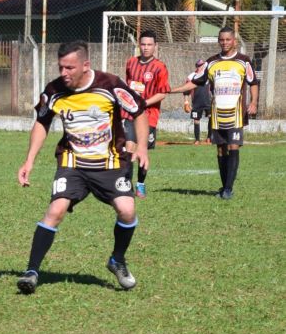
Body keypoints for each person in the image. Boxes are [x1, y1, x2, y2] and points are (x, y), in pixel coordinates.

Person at [16, 40, 149, 294]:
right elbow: (42, 122)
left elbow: (139, 110)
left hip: (110, 162)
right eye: (61, 67)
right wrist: (29, 160)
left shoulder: (110, 85)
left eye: (70, 68)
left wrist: (142, 147)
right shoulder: (54, 91)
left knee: (127, 210)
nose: (64, 73)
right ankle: (31, 272)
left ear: (86, 65)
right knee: (55, 210)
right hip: (73, 162)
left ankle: (117, 260)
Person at [170, 27, 259, 200]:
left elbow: (253, 82)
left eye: (228, 39)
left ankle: (228, 189)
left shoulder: (244, 61)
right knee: (220, 150)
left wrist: (254, 102)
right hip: (217, 114)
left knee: (233, 146)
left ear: (234, 41)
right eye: (221, 40)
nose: (224, 43)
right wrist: (171, 90)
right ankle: (225, 186)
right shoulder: (211, 63)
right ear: (219, 41)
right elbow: (194, 82)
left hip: (236, 113)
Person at [122, 30, 170, 198]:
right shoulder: (131, 63)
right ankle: (126, 184)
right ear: (139, 45)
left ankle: (140, 184)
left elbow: (163, 93)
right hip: (129, 114)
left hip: (149, 115)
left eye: (149, 45)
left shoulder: (159, 67)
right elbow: (128, 85)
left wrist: (143, 102)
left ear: (155, 46)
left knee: (142, 150)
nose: (146, 48)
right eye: (143, 44)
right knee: (129, 146)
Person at [183, 59, 212, 145]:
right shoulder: (192, 76)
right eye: (199, 65)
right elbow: (186, 91)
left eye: (202, 65)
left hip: (208, 101)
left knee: (211, 118)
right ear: (196, 66)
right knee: (196, 120)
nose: (201, 67)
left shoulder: (209, 75)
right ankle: (197, 139)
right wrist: (186, 102)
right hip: (196, 103)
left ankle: (209, 137)